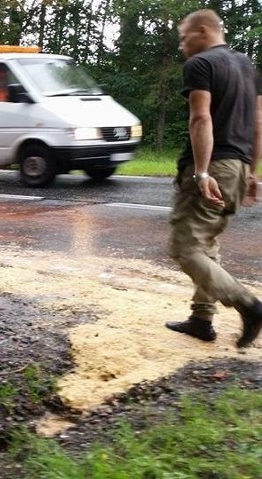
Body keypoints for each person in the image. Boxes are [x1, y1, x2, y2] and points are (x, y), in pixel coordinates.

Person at [165, 9, 262, 348]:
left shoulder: (200, 65)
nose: (181, 46)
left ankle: (248, 305)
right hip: (238, 166)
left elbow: (200, 118)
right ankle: (201, 319)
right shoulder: (246, 66)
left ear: (203, 31)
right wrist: (251, 170)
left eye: (183, 37)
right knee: (208, 243)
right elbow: (258, 121)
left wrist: (202, 171)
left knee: (185, 247)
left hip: (214, 165)